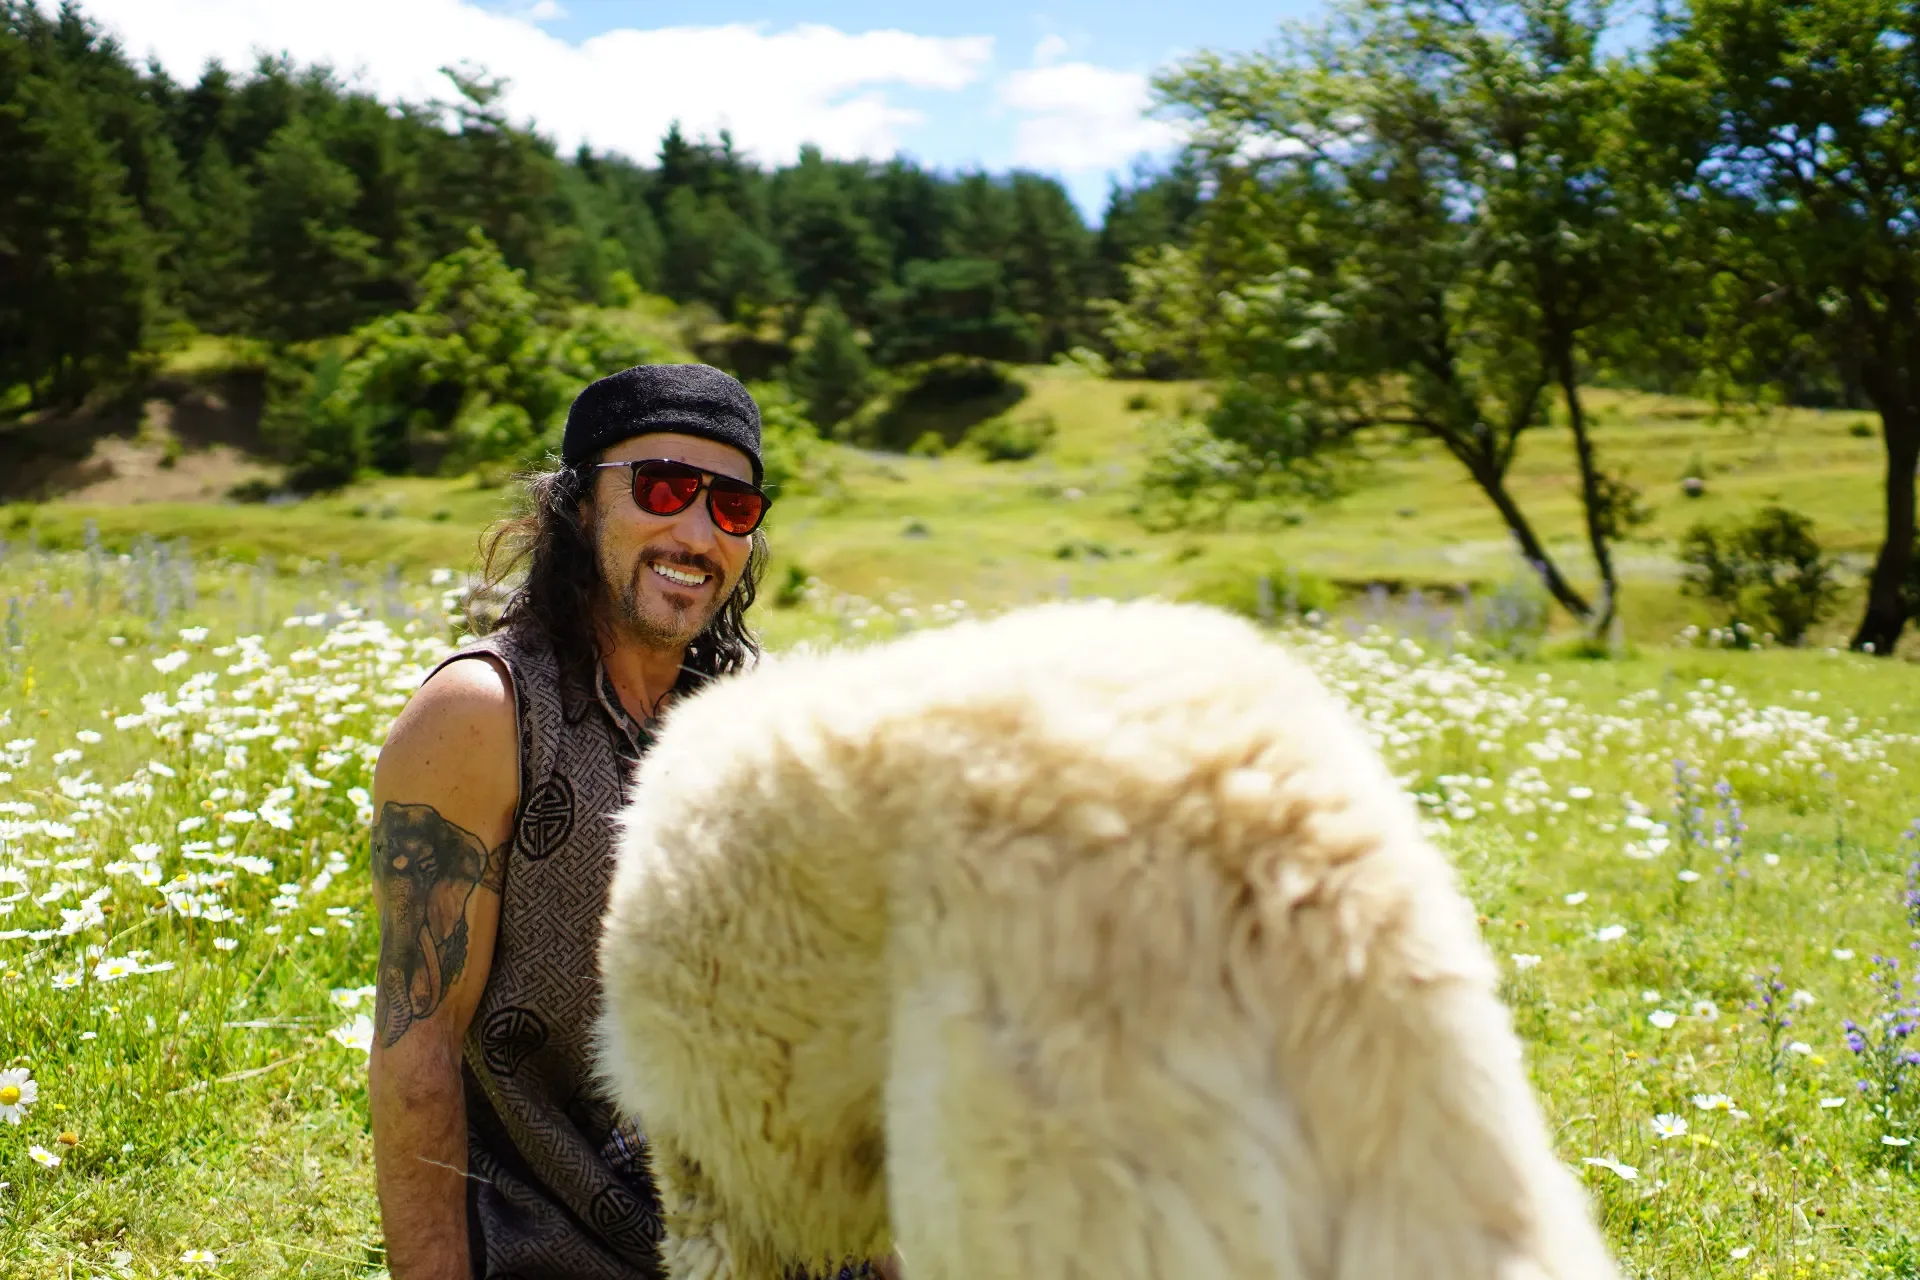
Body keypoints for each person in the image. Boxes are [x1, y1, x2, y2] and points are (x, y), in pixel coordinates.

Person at [367, 364, 884, 1279]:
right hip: (560, 1241)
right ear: (576, 505)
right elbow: (419, 1044)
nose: (694, 531)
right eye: (661, 488)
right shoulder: (483, 712)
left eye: (731, 506)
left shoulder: (755, 718)